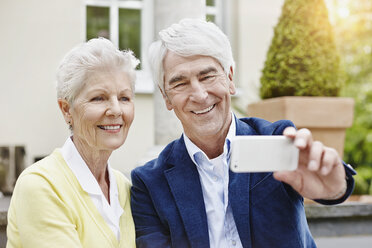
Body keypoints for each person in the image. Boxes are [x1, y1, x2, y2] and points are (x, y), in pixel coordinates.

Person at [130, 19, 356, 248]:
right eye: (180, 84)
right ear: (166, 97)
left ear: (229, 78)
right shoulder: (149, 184)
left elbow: (332, 187)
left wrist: (335, 187)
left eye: (207, 76)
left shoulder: (275, 139)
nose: (199, 95)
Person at [7, 38, 139, 248]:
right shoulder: (41, 185)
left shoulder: (124, 187)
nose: (116, 110)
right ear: (66, 110)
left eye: (124, 98)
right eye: (99, 98)